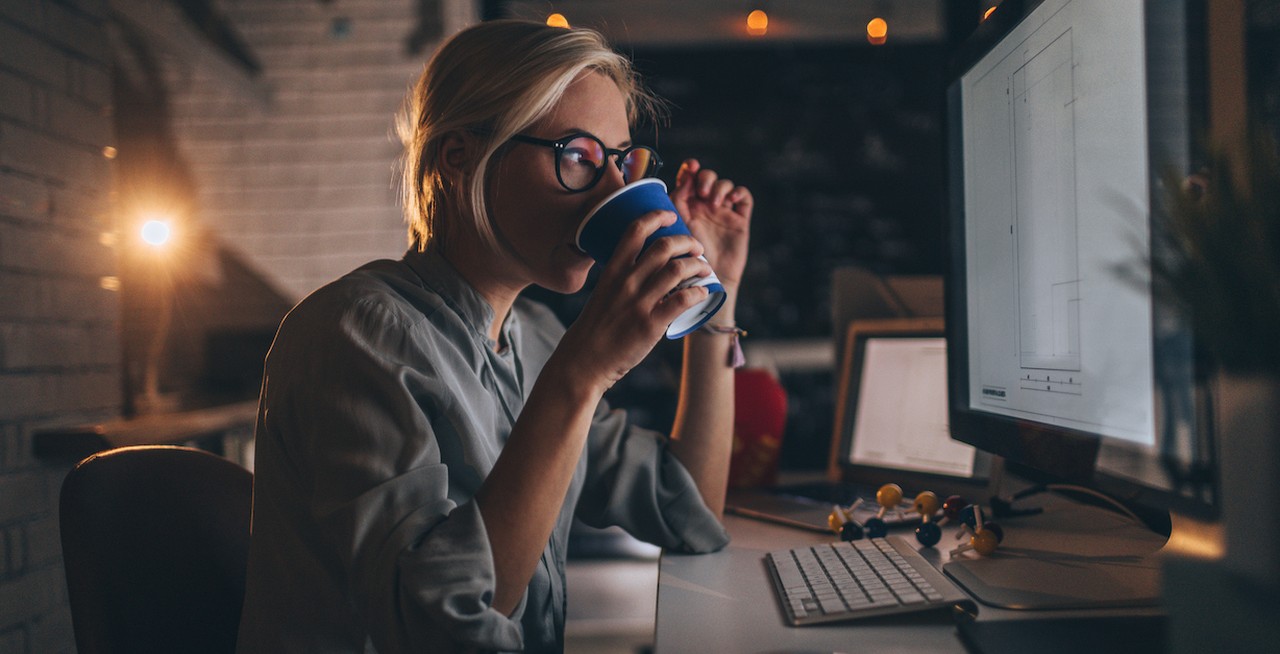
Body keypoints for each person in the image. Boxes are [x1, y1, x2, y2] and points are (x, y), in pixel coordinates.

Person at [236, 18, 753, 654]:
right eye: (577, 158)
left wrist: (713, 300)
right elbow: (440, 629)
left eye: (621, 161)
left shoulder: (532, 337)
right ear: (460, 157)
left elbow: (690, 512)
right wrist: (583, 373)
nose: (617, 192)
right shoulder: (353, 336)